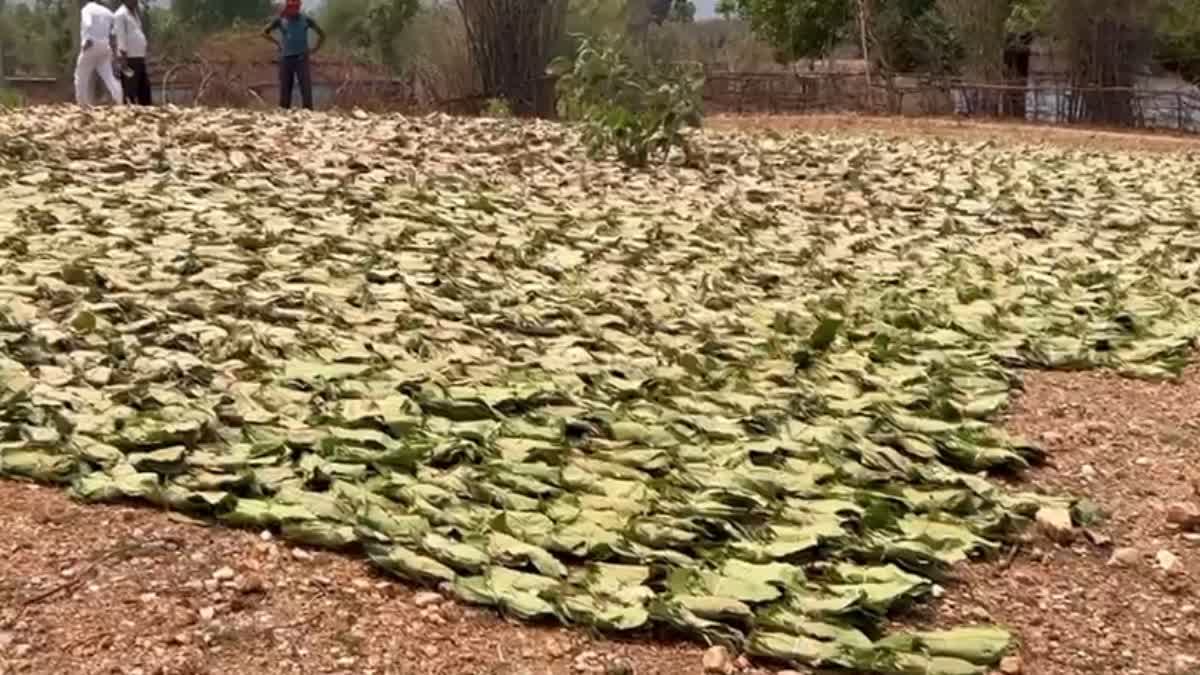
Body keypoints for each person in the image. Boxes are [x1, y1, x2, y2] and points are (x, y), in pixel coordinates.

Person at [262, 0, 325, 111]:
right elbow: (264, 32)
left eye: (296, 7)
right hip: (285, 59)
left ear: (299, 7)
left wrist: (315, 49)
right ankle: (284, 113)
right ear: (287, 7)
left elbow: (322, 34)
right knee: (285, 88)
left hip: (302, 58)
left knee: (305, 87)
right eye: (291, 7)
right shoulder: (281, 20)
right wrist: (277, 43)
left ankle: (308, 113)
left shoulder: (306, 19)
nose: (293, 9)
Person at [75, 0, 123, 107]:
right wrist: (112, 34)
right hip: (105, 45)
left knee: (81, 75)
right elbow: (116, 22)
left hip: (91, 44)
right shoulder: (106, 11)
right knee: (109, 76)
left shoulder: (86, 9)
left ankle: (81, 102)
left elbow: (87, 23)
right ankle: (120, 99)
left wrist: (86, 40)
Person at [114, 0, 150, 105]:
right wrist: (123, 61)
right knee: (130, 92)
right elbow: (121, 38)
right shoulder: (120, 14)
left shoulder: (135, 14)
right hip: (129, 59)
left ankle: (146, 113)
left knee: (144, 90)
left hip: (139, 57)